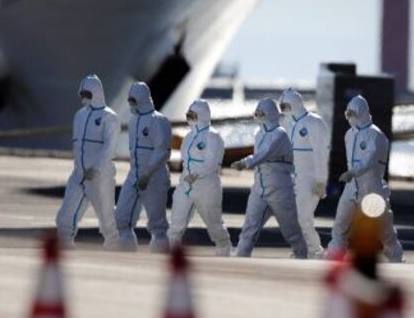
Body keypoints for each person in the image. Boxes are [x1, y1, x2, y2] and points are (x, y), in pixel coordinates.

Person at [326, 95, 404, 262]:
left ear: (361, 112)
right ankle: (334, 255)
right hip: (352, 188)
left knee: (384, 230)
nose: (349, 117)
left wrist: (352, 172)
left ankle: (396, 257)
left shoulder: (376, 136)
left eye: (352, 113)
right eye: (347, 113)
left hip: (372, 189)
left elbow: (369, 159)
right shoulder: (349, 135)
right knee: (340, 224)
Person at [232, 98, 308, 259]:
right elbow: (261, 155)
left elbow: (265, 153)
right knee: (249, 227)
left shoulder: (279, 135)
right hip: (259, 188)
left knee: (291, 231)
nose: (258, 116)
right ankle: (241, 256)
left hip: (280, 189)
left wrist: (246, 162)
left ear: (271, 114)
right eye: (257, 113)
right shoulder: (259, 134)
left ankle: (302, 256)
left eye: (262, 113)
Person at [56, 75, 121, 248]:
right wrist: (79, 168)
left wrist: (96, 168)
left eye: (86, 93)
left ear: (96, 93)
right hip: (79, 174)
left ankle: (115, 244)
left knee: (106, 216)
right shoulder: (80, 115)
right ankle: (64, 243)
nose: (83, 97)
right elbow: (77, 145)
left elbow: (110, 147)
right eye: (81, 93)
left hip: (99, 176)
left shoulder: (109, 117)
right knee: (65, 214)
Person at [168, 99, 233, 256]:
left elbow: (212, 164)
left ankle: (224, 248)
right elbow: (185, 161)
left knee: (214, 224)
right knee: (176, 224)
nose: (189, 118)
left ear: (202, 115)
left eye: (193, 114)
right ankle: (172, 253)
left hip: (207, 187)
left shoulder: (213, 137)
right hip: (186, 186)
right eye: (188, 114)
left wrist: (196, 175)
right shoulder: (188, 137)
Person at [115, 81, 172, 252]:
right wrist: (138, 174)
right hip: (135, 175)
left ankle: (160, 247)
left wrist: (147, 174)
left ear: (142, 99)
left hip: (154, 177)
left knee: (156, 220)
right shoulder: (133, 121)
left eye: (133, 100)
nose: (131, 104)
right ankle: (126, 246)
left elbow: (163, 151)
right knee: (122, 215)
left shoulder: (159, 121)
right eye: (129, 101)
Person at [279, 87, 329, 258]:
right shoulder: (290, 125)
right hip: (296, 178)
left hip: (311, 177)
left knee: (303, 217)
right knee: (296, 217)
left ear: (294, 104)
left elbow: (321, 153)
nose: (283, 110)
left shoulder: (314, 122)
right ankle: (307, 250)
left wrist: (321, 180)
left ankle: (315, 250)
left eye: (285, 106)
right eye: (281, 106)